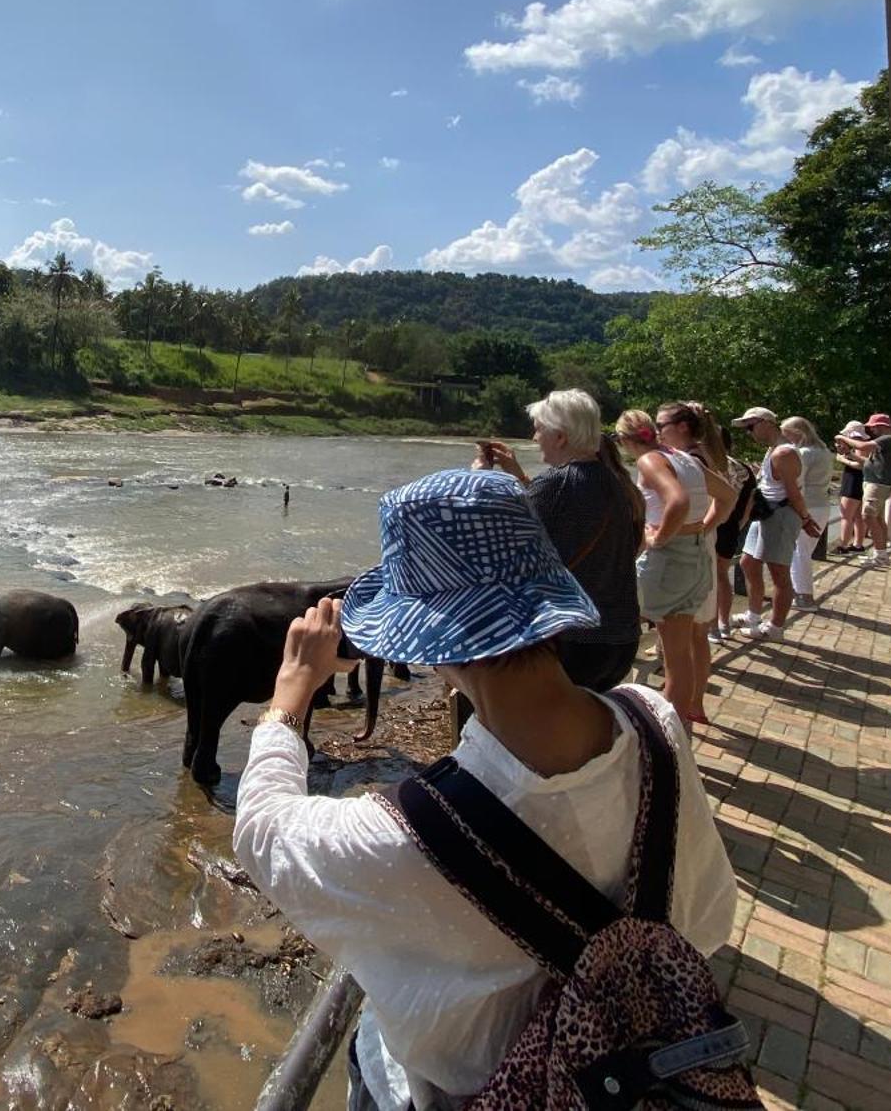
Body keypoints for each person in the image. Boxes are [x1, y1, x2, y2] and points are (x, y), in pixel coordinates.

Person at [231, 468, 736, 1110]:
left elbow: (263, 829)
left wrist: (292, 690)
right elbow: (709, 919)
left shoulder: (407, 831)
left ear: (434, 646)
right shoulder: (653, 721)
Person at [473, 388, 643, 690]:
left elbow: (496, 543)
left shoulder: (556, 483)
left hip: (572, 643)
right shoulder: (614, 480)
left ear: (561, 437)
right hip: (619, 639)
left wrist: (479, 480)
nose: (534, 437)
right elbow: (557, 522)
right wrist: (517, 475)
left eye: (539, 429)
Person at [615, 409, 715, 726]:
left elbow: (678, 501)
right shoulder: (687, 459)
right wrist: (699, 528)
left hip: (667, 563)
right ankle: (678, 732)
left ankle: (650, 731)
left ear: (625, 439)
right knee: (678, 657)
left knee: (616, 631)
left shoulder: (650, 461)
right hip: (696, 559)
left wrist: (659, 537)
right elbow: (727, 496)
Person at [652, 403, 737, 669]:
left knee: (690, 632)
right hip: (698, 544)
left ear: (682, 427)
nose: (657, 432)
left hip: (691, 546)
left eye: (660, 426)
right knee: (696, 630)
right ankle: (691, 700)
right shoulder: (697, 454)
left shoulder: (691, 458)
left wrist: (702, 527)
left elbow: (723, 499)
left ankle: (681, 695)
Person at [731, 408, 820, 638]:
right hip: (765, 512)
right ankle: (753, 613)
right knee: (748, 562)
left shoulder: (783, 453)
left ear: (766, 423)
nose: (749, 432)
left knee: (779, 573)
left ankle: (776, 627)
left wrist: (805, 519)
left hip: (780, 514)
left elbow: (793, 492)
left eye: (751, 426)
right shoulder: (773, 451)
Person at [836, 413, 891, 566]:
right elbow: (868, 463)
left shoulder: (887, 439)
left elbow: (862, 446)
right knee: (877, 518)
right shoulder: (890, 441)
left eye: (872, 427)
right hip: (880, 483)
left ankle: (880, 556)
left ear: (881, 427)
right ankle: (879, 552)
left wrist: (843, 438)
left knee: (868, 516)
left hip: (878, 484)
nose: (871, 431)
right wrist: (849, 455)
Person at [780, 416, 833, 610]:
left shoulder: (804, 453)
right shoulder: (824, 451)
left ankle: (804, 596)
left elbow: (796, 481)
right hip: (822, 504)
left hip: (807, 505)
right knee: (804, 551)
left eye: (787, 434)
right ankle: (801, 592)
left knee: (799, 552)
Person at [834, 420, 869, 552]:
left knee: (846, 516)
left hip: (853, 480)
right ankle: (858, 544)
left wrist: (842, 459)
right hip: (861, 481)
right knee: (859, 516)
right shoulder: (863, 444)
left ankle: (843, 545)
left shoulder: (859, 445)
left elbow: (860, 466)